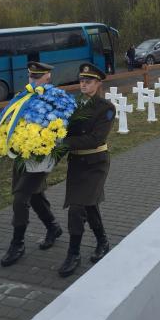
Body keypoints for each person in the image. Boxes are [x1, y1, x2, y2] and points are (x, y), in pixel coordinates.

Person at [0, 62, 62, 267]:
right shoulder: (23, 96)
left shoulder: (55, 99)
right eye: (30, 77)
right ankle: (53, 227)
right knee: (34, 195)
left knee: (20, 199)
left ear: (48, 77)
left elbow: (61, 129)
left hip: (40, 156)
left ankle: (17, 243)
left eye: (38, 77)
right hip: (21, 155)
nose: (33, 80)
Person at [58, 63, 116, 277]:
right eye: (81, 80)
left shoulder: (106, 108)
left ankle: (73, 253)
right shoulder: (73, 106)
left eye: (88, 81)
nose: (83, 84)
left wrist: (63, 142)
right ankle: (103, 241)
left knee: (77, 208)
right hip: (77, 164)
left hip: (95, 164)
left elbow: (95, 138)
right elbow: (62, 129)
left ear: (98, 83)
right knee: (89, 206)